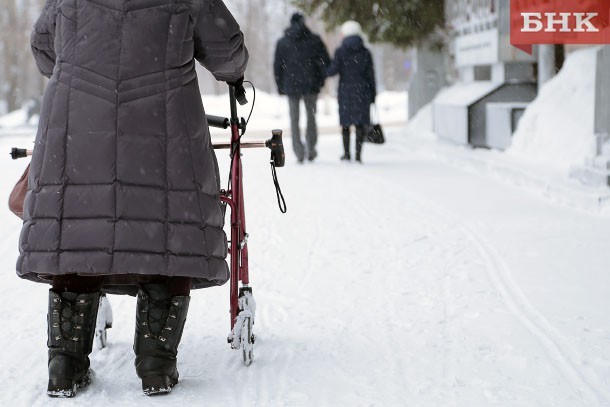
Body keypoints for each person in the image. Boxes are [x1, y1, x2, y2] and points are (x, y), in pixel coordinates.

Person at [22, 0, 248, 397]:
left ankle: (65, 363)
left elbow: (43, 51)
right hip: (164, 130)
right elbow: (227, 51)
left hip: (80, 131)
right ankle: (156, 364)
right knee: (167, 230)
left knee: (76, 228)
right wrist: (235, 72)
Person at [274, 12, 330, 163]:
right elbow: (325, 62)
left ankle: (298, 151)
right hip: (311, 85)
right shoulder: (315, 40)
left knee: (294, 119)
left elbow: (278, 66)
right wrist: (321, 80)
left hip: (291, 86)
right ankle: (311, 149)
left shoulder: (283, 42)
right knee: (311, 117)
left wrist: (280, 86)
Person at [327, 21, 376, 163]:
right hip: (363, 92)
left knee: (346, 124)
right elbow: (371, 76)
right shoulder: (366, 52)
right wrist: (373, 95)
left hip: (346, 92)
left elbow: (332, 70)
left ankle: (347, 154)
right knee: (360, 124)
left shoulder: (340, 51)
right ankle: (358, 155)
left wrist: (321, 67)